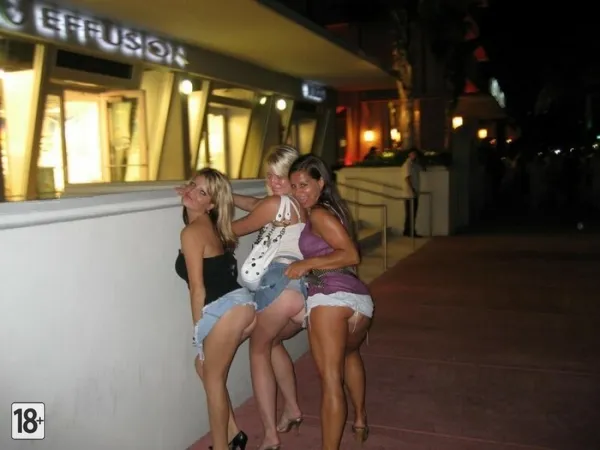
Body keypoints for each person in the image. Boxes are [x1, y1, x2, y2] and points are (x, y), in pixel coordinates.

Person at [285, 154, 373, 450]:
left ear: (321, 182)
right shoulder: (334, 210)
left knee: (331, 382)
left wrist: (306, 263)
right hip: (358, 303)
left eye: (304, 185)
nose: (299, 192)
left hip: (330, 299)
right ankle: (359, 420)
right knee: (350, 354)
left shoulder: (320, 214)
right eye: (294, 186)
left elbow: (351, 255)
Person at [175, 168, 256, 450]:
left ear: (211, 204)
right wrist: (191, 196)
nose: (191, 192)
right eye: (191, 185)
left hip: (226, 309)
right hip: (237, 305)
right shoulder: (210, 226)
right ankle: (235, 434)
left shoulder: (191, 232)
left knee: (213, 381)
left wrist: (197, 331)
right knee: (204, 369)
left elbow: (197, 289)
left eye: (202, 193)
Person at [232, 145, 307, 450]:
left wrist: (203, 218)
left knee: (258, 351)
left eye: (281, 176)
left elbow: (234, 229)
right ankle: (293, 409)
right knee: (272, 343)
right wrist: (227, 194)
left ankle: (270, 436)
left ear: (294, 176)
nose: (274, 181)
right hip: (300, 290)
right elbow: (255, 204)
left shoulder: (277, 203)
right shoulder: (298, 203)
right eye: (270, 175)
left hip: (278, 283)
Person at [400, 149, 422, 237]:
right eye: (413, 154)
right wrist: (412, 189)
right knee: (411, 213)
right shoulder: (407, 165)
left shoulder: (414, 165)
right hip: (410, 193)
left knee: (411, 213)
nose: (414, 156)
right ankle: (410, 231)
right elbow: (407, 177)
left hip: (413, 192)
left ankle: (407, 230)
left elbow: (421, 169)